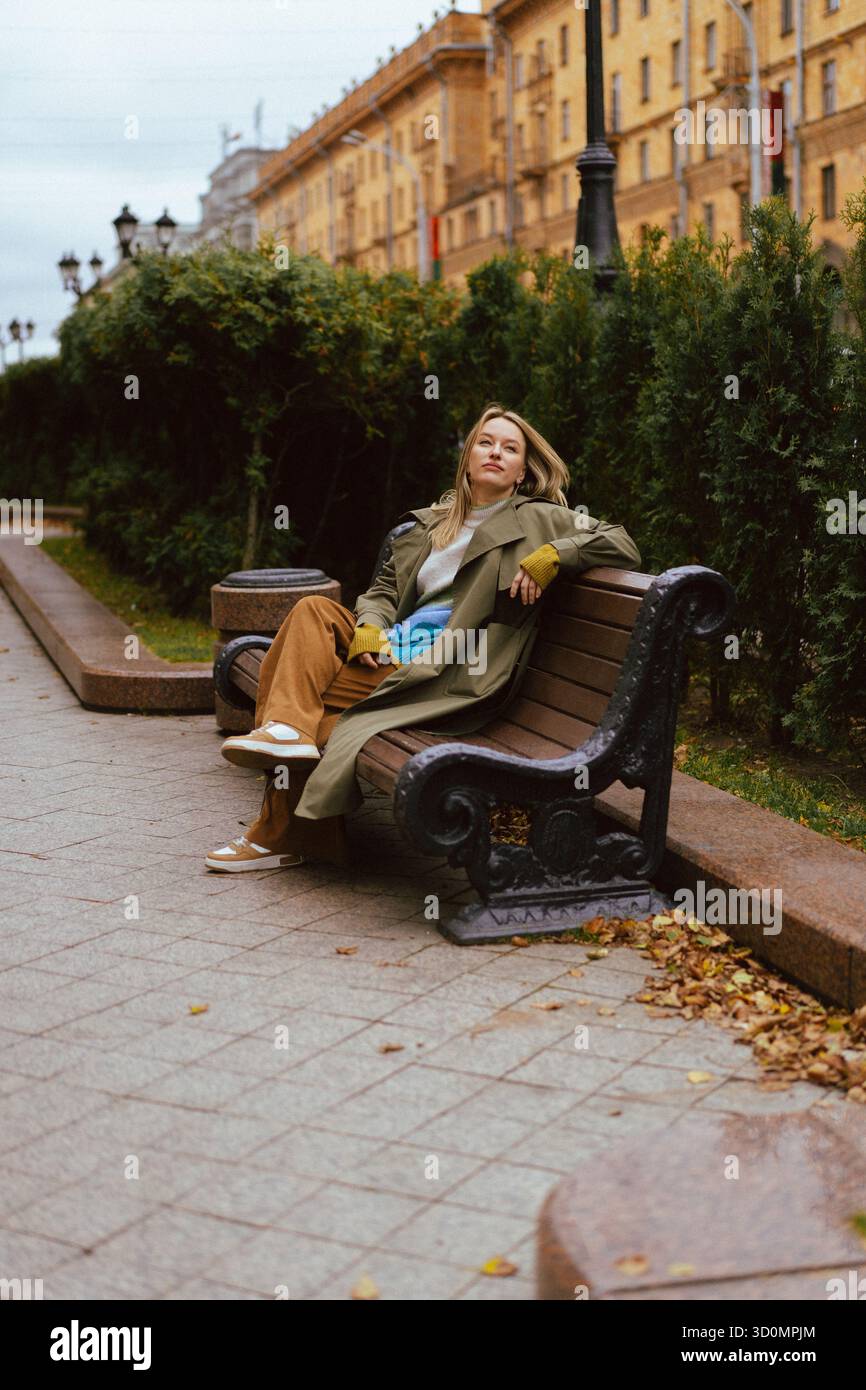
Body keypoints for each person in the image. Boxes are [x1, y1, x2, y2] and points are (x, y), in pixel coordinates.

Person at [205, 401, 640, 872]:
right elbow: (384, 590)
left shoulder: (539, 518)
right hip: (392, 654)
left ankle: (283, 821)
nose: (495, 452)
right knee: (312, 611)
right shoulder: (436, 522)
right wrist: (370, 627)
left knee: (300, 693)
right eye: (485, 442)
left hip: (452, 669)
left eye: (510, 449)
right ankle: (292, 781)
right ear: (468, 458)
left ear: (521, 472)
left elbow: (622, 542)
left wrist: (553, 555)